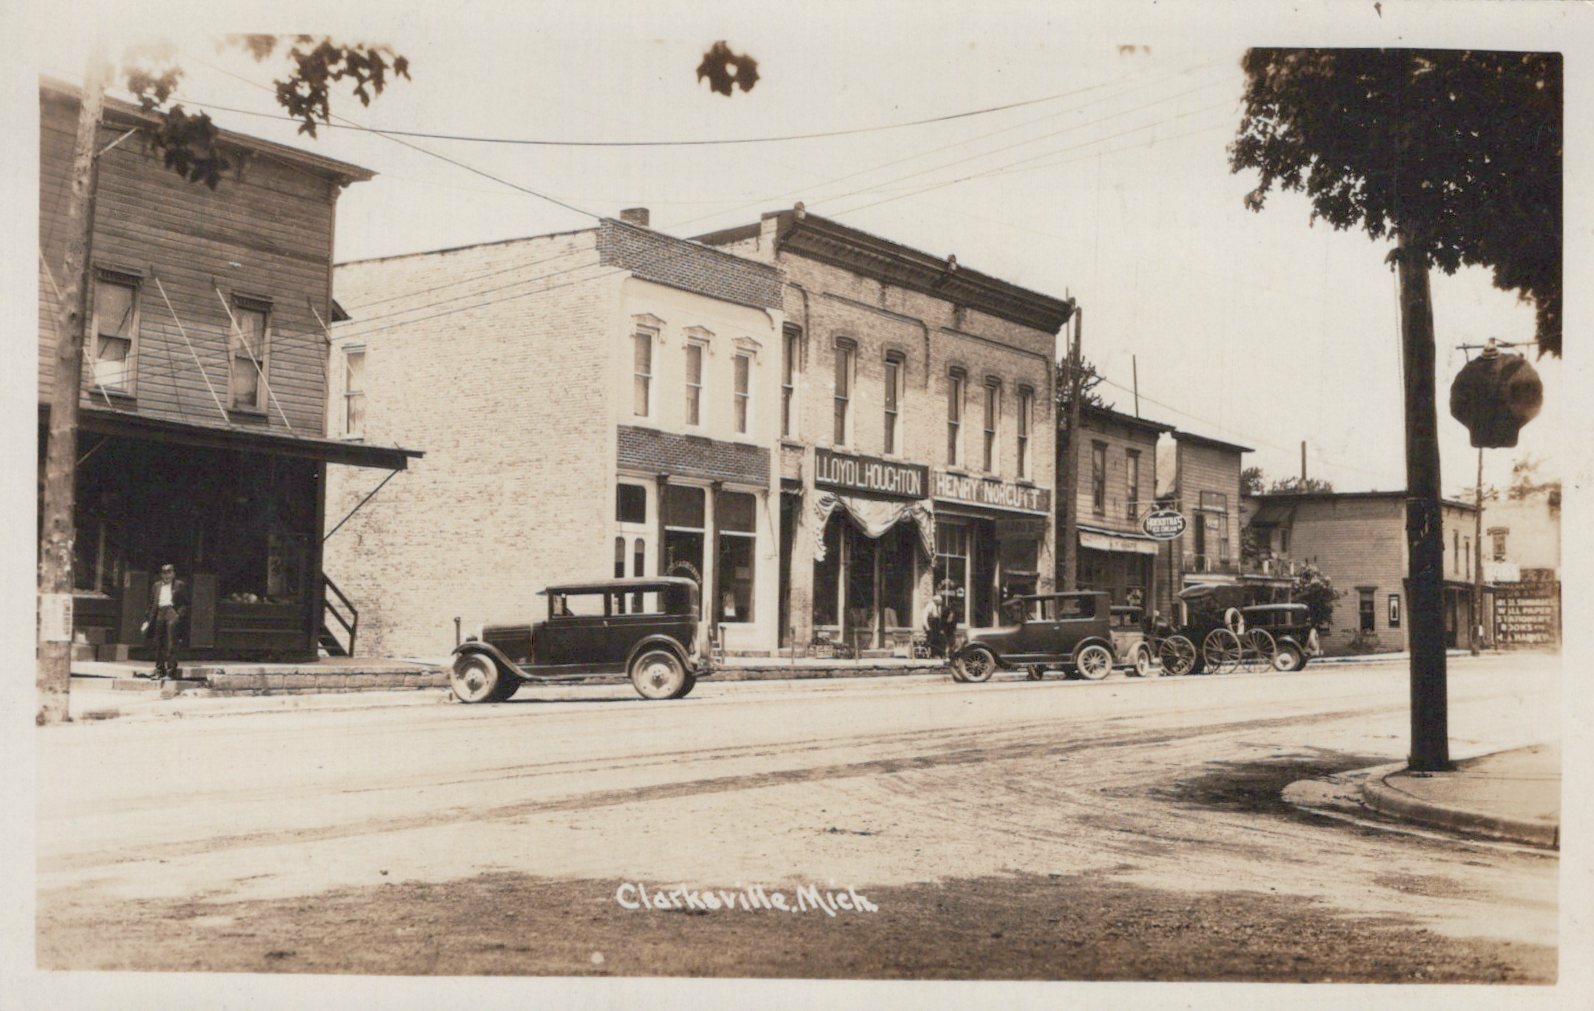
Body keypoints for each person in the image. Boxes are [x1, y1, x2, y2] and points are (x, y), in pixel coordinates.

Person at [141, 563, 189, 679]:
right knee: (158, 643)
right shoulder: (156, 586)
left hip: (171, 612)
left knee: (171, 643)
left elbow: (185, 603)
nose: (166, 575)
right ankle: (159, 671)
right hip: (159, 612)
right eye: (164, 573)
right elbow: (151, 603)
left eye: (169, 572)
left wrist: (178, 615)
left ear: (173, 574)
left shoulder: (179, 585)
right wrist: (147, 620)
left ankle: (171, 672)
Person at [923, 593, 948, 658]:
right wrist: (927, 627)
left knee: (940, 640)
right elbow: (924, 617)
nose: (941, 603)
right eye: (940, 601)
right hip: (931, 626)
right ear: (936, 601)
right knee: (931, 640)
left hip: (936, 627)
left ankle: (939, 654)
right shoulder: (930, 606)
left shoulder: (938, 607)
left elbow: (938, 617)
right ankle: (931, 655)